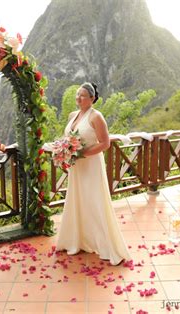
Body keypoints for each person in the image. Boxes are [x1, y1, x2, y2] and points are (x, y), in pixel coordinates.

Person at [56, 82, 131, 265]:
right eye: (77, 94)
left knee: (95, 201)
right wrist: (64, 152)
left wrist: (82, 154)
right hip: (77, 167)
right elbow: (69, 139)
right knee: (77, 200)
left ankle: (105, 245)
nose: (78, 98)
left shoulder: (96, 117)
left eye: (82, 95)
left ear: (92, 99)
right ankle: (77, 240)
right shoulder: (72, 115)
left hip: (91, 165)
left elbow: (105, 143)